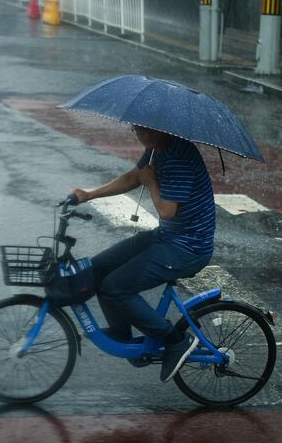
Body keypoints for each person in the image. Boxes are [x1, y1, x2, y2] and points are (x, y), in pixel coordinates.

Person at [70, 124, 216, 382]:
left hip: (188, 247)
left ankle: (176, 340)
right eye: (137, 131)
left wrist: (150, 182)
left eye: (147, 131)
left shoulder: (178, 155)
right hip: (168, 237)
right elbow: (134, 176)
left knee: (115, 287)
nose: (142, 137)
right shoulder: (156, 148)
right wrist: (89, 195)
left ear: (164, 129)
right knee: (99, 268)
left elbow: (167, 210)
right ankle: (121, 332)